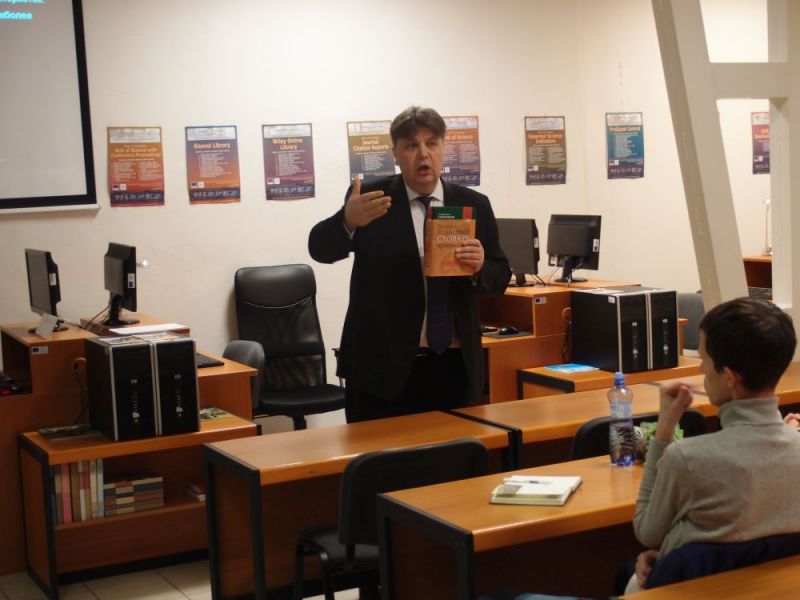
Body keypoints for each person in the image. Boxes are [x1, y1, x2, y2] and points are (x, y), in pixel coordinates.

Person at [308, 106, 510, 422]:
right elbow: (320, 249)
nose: (423, 154)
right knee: (382, 454)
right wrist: (347, 221)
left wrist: (481, 266)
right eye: (412, 146)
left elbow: (500, 277)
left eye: (431, 143)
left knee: (458, 452)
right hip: (382, 371)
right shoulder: (373, 199)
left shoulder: (474, 204)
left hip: (454, 367)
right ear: (396, 154)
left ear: (443, 149)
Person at [627, 297, 800, 593]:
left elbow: (647, 531)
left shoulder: (687, 458)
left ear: (729, 377)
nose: (701, 369)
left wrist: (664, 429)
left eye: (704, 360)